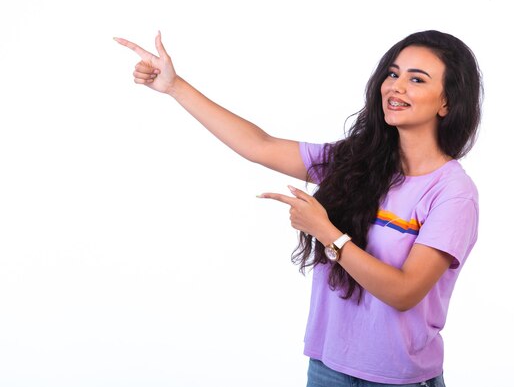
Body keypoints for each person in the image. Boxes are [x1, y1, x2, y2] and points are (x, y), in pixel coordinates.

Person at [114, 29, 482, 387]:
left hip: (398, 379)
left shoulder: (452, 192)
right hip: (328, 367)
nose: (396, 87)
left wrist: (326, 232)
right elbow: (260, 145)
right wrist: (175, 87)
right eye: (393, 73)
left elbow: (404, 292)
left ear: (447, 101)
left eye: (417, 80)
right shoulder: (354, 162)